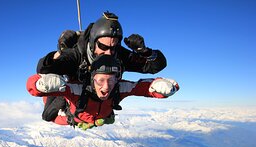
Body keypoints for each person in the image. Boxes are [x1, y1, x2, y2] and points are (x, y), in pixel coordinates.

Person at [37, 11, 168, 122]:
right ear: (93, 41)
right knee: (48, 115)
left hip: (102, 97)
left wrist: (145, 52)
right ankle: (69, 112)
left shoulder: (118, 55)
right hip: (76, 94)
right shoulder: (77, 54)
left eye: (113, 47)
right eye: (103, 47)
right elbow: (43, 69)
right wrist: (60, 52)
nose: (109, 53)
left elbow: (155, 66)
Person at [27, 55, 179, 130]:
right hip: (74, 117)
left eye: (111, 80)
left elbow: (142, 87)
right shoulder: (77, 89)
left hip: (100, 115)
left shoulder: (119, 87)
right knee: (48, 116)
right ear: (92, 79)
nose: (106, 87)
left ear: (117, 79)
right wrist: (41, 84)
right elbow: (34, 88)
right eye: (100, 80)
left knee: (108, 118)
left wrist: (162, 87)